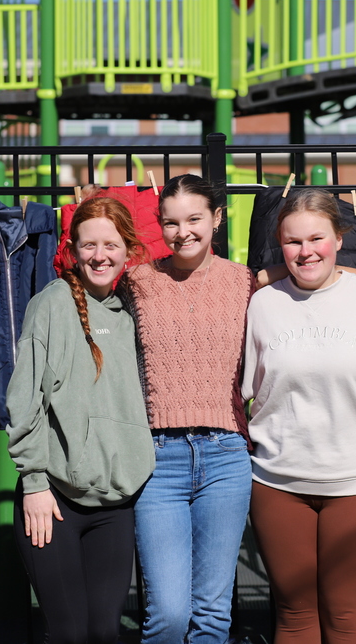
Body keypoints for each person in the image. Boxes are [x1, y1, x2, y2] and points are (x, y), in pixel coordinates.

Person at [242, 188, 356, 644]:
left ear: (339, 239)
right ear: (280, 245)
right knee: (294, 616)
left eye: (316, 238)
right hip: (278, 483)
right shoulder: (261, 304)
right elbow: (246, 390)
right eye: (293, 241)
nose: (305, 251)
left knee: (346, 615)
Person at [5, 196, 156, 644]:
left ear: (128, 250)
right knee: (70, 633)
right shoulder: (52, 304)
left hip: (115, 502)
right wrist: (34, 483)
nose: (99, 255)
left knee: (104, 631)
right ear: (72, 250)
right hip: (54, 499)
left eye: (110, 245)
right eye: (89, 245)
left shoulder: (133, 312)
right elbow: (25, 400)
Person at [120, 174, 256, 644]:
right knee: (169, 615)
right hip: (158, 459)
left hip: (226, 457)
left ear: (217, 218)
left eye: (194, 219)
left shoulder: (245, 281)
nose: (183, 232)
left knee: (213, 616)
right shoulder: (137, 283)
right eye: (171, 223)